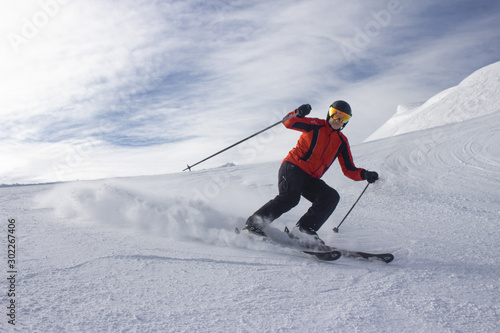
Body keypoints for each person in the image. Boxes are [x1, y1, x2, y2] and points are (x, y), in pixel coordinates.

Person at [243, 100, 379, 246]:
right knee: (290, 198)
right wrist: (298, 113)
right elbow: (288, 122)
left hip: (310, 178)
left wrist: (364, 174)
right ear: (329, 113)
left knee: (330, 197)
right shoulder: (316, 125)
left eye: (343, 118)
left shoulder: (342, 142)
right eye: (335, 115)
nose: (338, 120)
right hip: (293, 167)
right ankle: (253, 225)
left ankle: (303, 229)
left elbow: (349, 169)